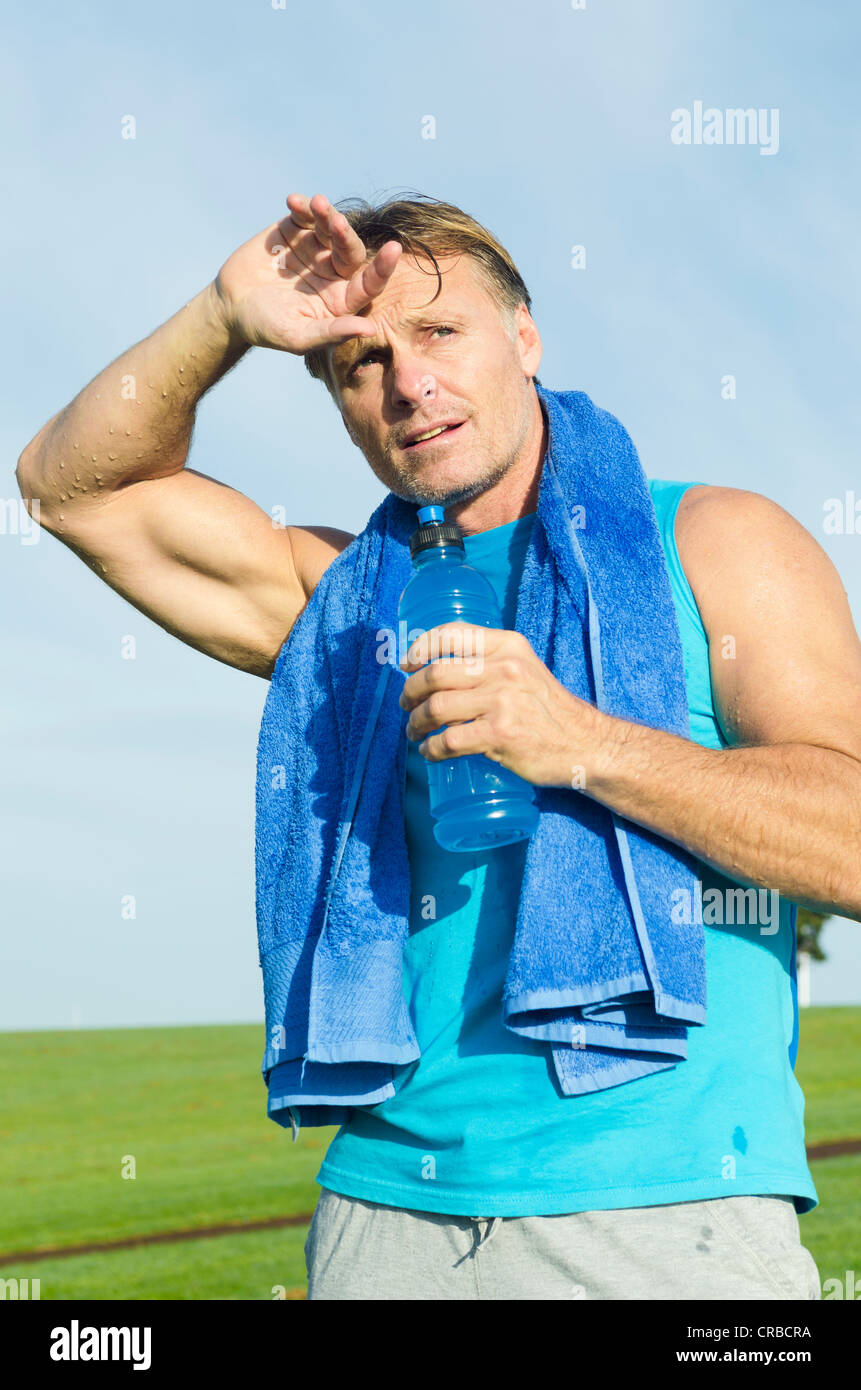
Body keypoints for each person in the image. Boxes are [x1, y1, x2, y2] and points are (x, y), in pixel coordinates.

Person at [16, 191, 861, 1302]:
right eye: (360, 363)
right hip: (387, 1217)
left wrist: (584, 743)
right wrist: (224, 315)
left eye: (440, 333)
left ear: (524, 337)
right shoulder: (343, 607)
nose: (408, 384)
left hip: (666, 1213)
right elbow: (69, 488)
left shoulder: (711, 542)